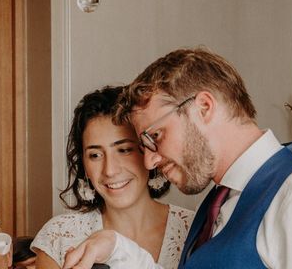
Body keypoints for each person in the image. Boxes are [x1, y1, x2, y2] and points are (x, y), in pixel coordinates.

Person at [63, 47, 292, 269]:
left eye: (155, 136)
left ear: (204, 107)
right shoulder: (218, 201)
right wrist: (116, 248)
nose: (149, 162)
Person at [32, 86, 194, 269]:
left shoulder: (197, 230)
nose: (109, 170)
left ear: (148, 150)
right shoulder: (59, 237)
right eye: (95, 155)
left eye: (124, 150)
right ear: (84, 166)